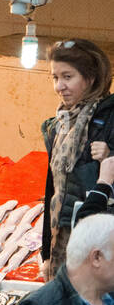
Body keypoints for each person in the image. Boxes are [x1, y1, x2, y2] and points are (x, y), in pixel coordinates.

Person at [42, 39, 114, 278]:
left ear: (91, 78)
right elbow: (52, 191)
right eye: (55, 78)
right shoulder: (59, 126)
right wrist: (46, 253)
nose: (59, 86)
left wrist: (111, 155)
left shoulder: (110, 118)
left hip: (102, 245)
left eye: (67, 77)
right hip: (64, 240)